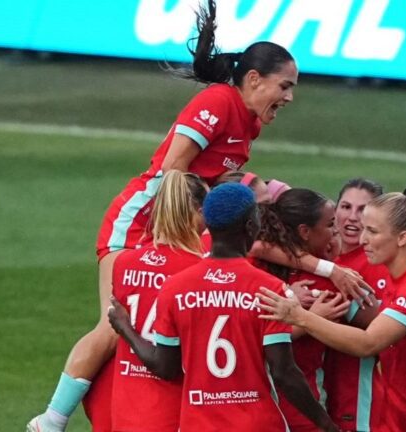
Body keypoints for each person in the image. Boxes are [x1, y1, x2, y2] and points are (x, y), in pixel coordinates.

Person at [27, 1, 301, 430]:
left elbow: (211, 179)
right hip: (142, 217)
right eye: (284, 86)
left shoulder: (249, 124)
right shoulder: (218, 101)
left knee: (159, 323)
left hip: (175, 224)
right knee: (112, 324)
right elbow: (173, 169)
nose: (289, 97)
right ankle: (51, 419)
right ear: (253, 79)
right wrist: (185, 229)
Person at [108, 183, 339, 432]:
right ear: (251, 226)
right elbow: (284, 373)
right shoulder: (269, 289)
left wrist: (125, 328)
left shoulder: (175, 288)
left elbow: (165, 367)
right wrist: (326, 424)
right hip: (257, 425)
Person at [257, 185, 406, 432]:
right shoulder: (395, 279)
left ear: (402, 238)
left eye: (372, 231)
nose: (362, 240)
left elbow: (368, 343)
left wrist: (300, 316)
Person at [110, 170, 208, 431]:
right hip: (172, 411)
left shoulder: (123, 264)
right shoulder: (196, 271)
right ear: (197, 213)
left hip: (126, 408)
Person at [255, 188, 351, 431]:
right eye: (330, 224)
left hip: (255, 410)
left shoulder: (253, 269)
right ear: (304, 232)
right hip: (303, 413)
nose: (336, 231)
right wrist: (310, 319)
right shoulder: (327, 284)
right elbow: (369, 335)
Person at [323, 178, 390, 432]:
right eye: (346, 207)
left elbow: (381, 332)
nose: (352, 217)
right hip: (313, 390)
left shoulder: (377, 264)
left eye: (363, 210)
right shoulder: (321, 257)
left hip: (353, 396)